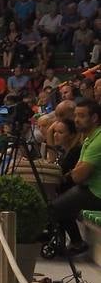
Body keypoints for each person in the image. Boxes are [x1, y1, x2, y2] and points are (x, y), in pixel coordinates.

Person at [48, 99, 101, 257]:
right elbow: (76, 170)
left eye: (82, 115)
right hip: (88, 187)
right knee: (60, 201)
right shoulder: (89, 138)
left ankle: (75, 243)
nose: (76, 119)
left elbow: (77, 176)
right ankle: (73, 242)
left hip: (95, 193)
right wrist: (75, 172)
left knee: (54, 208)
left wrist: (75, 172)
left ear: (94, 118)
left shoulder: (98, 141)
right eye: (76, 115)